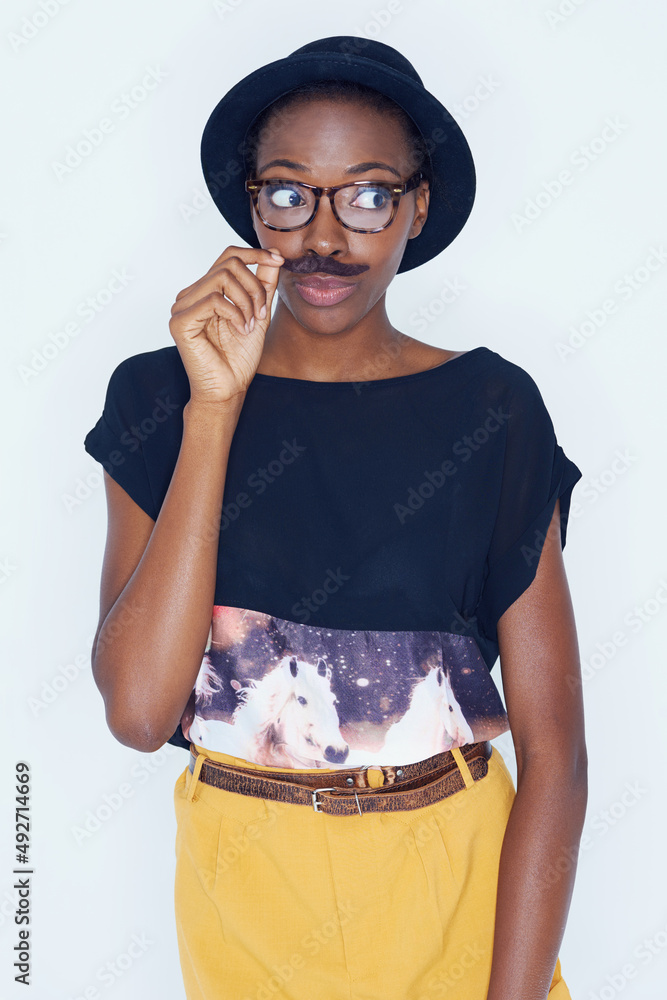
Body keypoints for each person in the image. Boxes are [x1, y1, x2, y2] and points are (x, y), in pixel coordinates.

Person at [83, 36, 587, 1000]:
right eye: (287, 192)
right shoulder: (161, 396)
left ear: (417, 206)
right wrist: (214, 409)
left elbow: (556, 755)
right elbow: (142, 712)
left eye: (366, 194)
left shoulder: (491, 410)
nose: (323, 236)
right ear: (251, 208)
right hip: (244, 895)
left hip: (454, 887)